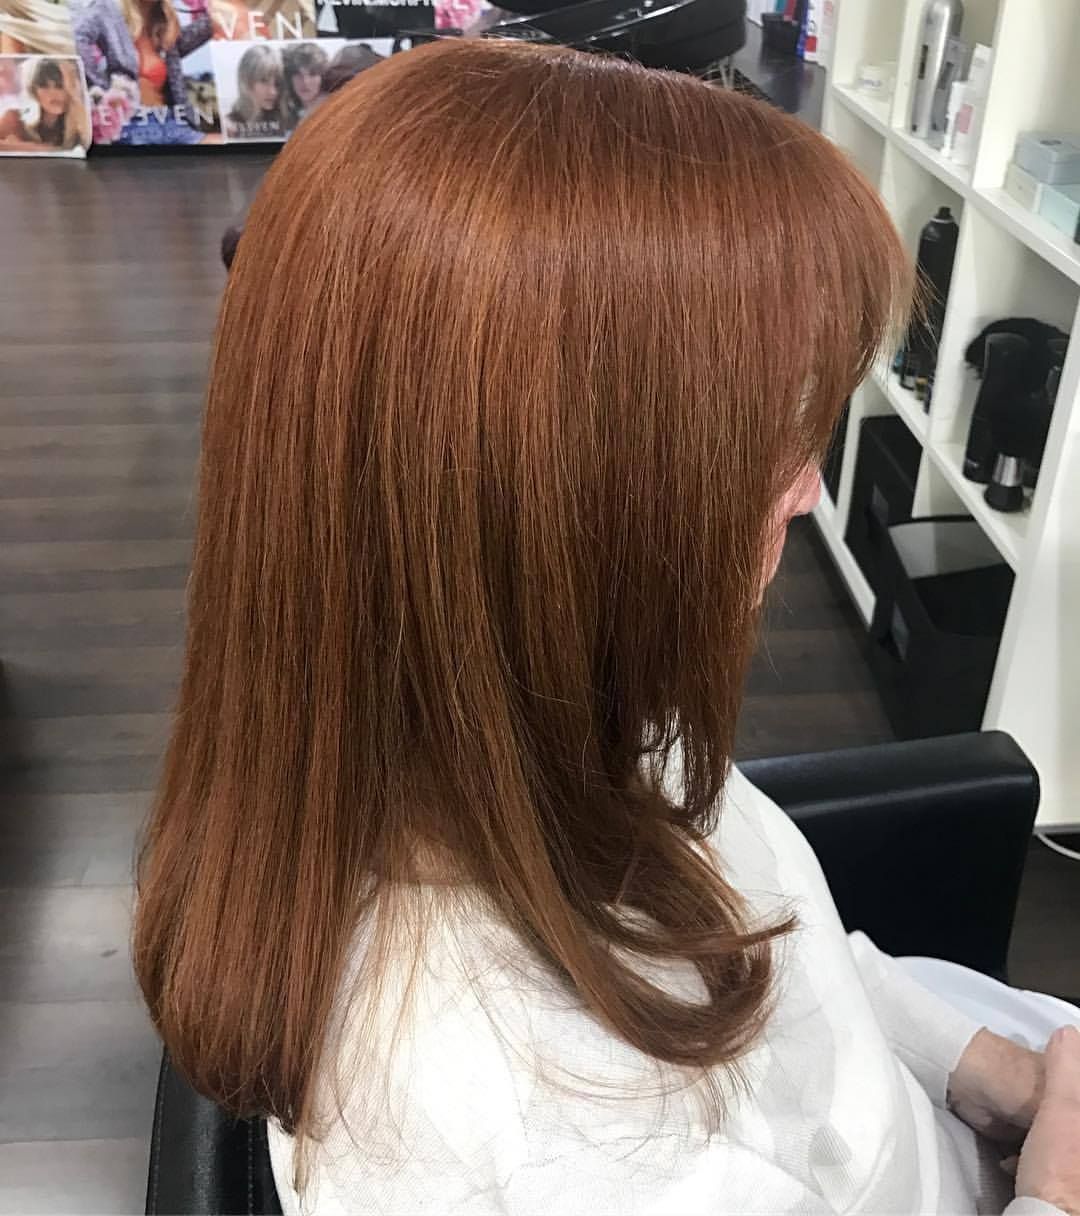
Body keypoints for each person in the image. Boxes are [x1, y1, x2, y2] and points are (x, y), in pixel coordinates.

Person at [134, 39, 1080, 1216]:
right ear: (563, 501)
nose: (810, 489)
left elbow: (771, 947)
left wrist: (974, 1065)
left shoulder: (538, 714)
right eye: (762, 440)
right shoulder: (572, 1151)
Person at [72, 0, 211, 143]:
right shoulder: (107, 10)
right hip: (133, 126)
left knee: (219, 148)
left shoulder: (161, 22)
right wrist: (106, 88)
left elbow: (192, 36)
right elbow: (77, 37)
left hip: (171, 121)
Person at [0, 56, 90, 151]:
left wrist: (75, 97)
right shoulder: (15, 118)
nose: (53, 93)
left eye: (60, 86)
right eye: (44, 85)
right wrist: (47, 149)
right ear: (34, 91)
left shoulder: (79, 128)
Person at [224, 41, 282, 139]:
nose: (273, 92)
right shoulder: (226, 126)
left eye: (277, 83)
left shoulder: (285, 121)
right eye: (264, 81)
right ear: (246, 80)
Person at [281, 39, 325, 130]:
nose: (305, 82)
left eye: (312, 74)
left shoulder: (332, 108)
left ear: (322, 77)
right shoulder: (286, 110)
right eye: (298, 74)